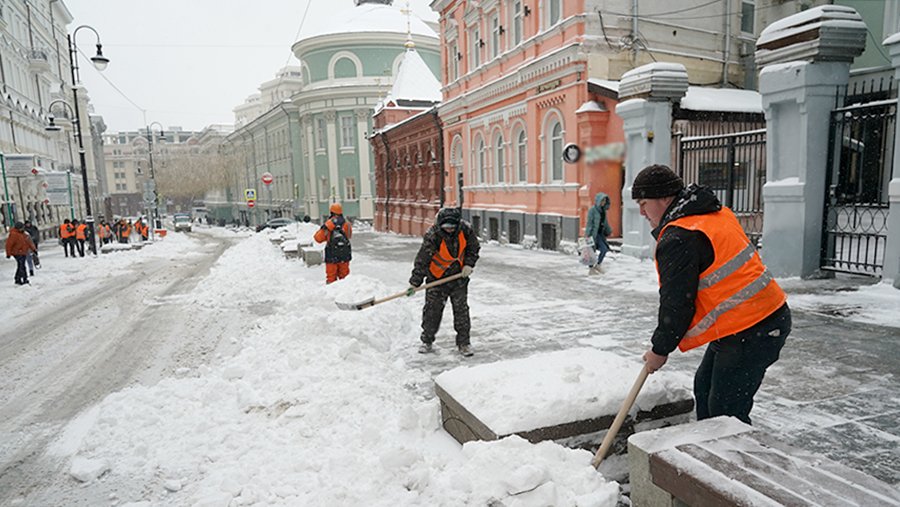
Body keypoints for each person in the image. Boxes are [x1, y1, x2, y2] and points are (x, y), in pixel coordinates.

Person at [633, 164, 791, 425]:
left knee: (725, 413)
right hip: (742, 323)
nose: (640, 211)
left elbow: (677, 304)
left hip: (755, 327)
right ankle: (709, 453)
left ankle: (731, 461)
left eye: (643, 202)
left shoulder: (680, 236)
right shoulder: (711, 214)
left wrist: (660, 350)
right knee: (705, 389)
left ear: (663, 198)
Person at [408, 207, 481, 357]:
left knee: (461, 311)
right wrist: (415, 283)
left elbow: (473, 248)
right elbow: (422, 260)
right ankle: (427, 341)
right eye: (446, 227)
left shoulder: (465, 230)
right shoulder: (433, 235)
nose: (449, 230)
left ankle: (464, 343)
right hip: (436, 279)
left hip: (458, 278)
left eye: (452, 227)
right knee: (432, 311)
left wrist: (469, 264)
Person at [313, 203, 353, 284]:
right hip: (344, 255)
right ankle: (347, 294)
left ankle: (332, 294)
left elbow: (318, 238)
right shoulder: (347, 224)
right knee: (345, 279)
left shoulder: (329, 224)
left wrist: (326, 229)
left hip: (332, 255)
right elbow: (349, 236)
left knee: (331, 279)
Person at [585, 192, 612, 275]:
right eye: (602, 200)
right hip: (593, 234)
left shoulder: (603, 211)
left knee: (604, 249)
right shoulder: (592, 210)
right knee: (591, 251)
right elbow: (589, 223)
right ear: (598, 201)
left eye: (604, 201)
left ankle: (598, 265)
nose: (603, 202)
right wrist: (588, 234)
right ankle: (591, 269)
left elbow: (605, 222)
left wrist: (608, 230)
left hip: (600, 234)